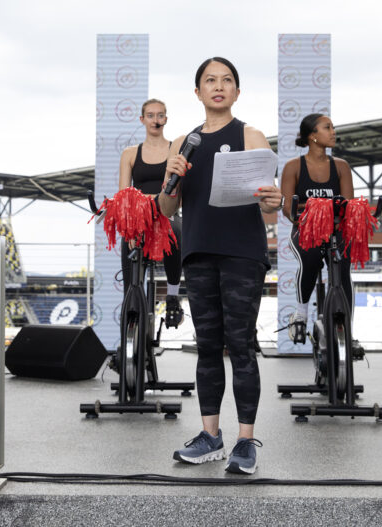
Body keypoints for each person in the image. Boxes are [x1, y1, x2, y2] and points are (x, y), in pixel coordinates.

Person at [158, 57, 282, 475]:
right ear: (197, 92)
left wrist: (273, 200)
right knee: (208, 345)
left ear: (237, 92)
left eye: (227, 80)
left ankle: (245, 442)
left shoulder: (251, 135)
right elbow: (167, 208)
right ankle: (210, 437)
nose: (218, 86)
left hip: (243, 252)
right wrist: (170, 176)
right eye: (210, 80)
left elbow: (268, 207)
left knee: (241, 345)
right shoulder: (183, 142)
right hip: (198, 251)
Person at [280, 113, 355, 344]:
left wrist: (316, 207)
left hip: (336, 228)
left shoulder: (341, 166)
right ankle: (300, 314)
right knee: (310, 258)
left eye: (333, 127)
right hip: (306, 229)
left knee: (343, 267)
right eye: (327, 127)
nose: (333, 132)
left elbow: (348, 204)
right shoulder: (293, 166)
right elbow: (287, 208)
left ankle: (348, 330)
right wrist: (315, 212)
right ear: (312, 135)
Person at [118, 98, 184, 328]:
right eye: (151, 115)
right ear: (142, 119)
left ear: (166, 119)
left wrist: (158, 201)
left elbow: (179, 192)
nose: (156, 120)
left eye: (160, 115)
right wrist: (131, 226)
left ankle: (173, 295)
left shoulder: (176, 150)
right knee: (128, 241)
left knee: (174, 230)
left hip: (168, 213)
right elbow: (124, 195)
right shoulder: (130, 153)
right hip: (140, 217)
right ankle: (131, 304)